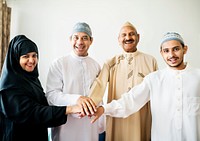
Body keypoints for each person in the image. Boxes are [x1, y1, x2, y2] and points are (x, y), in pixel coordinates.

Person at [91, 32, 200, 141]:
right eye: (166, 51)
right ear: (161, 53)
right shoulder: (154, 79)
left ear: (184, 49)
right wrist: (104, 109)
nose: (171, 55)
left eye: (176, 49)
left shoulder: (198, 76)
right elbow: (130, 101)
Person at [0, 35, 83, 141]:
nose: (31, 60)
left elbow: (42, 106)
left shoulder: (32, 80)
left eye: (34, 55)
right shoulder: (9, 86)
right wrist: (69, 109)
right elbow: (32, 112)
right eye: (25, 56)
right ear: (16, 58)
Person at [88, 21, 158, 141]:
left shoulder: (150, 61)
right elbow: (99, 85)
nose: (128, 38)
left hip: (141, 118)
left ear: (138, 37)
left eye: (131, 34)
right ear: (118, 40)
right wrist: (89, 106)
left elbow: (157, 92)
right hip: (117, 119)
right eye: (124, 35)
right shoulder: (111, 62)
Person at [45, 22, 101, 141]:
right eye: (76, 37)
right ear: (70, 40)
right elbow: (51, 96)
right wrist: (76, 99)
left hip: (89, 127)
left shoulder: (96, 66)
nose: (80, 42)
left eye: (84, 38)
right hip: (65, 127)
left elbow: (99, 96)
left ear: (91, 41)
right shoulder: (59, 64)